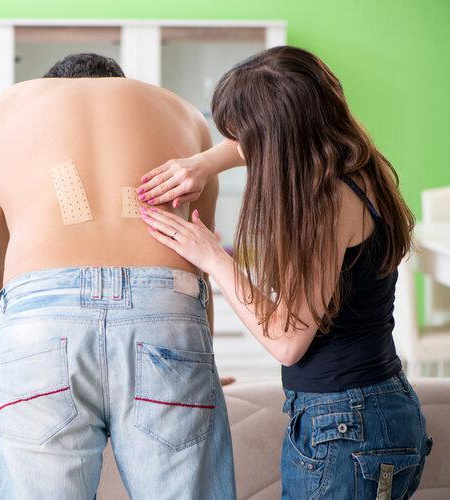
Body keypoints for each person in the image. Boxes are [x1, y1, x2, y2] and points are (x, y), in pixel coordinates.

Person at [136, 45, 432, 499]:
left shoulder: (325, 203)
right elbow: (262, 142)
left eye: (246, 138)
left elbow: (287, 342)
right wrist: (203, 163)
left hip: (346, 430)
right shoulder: (358, 167)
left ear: (277, 137)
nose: (242, 150)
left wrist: (214, 258)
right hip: (380, 409)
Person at [0, 53, 236, 499]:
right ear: (120, 84)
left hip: (42, 318)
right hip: (165, 313)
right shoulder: (184, 114)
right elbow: (199, 264)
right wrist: (201, 364)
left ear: (49, 84)